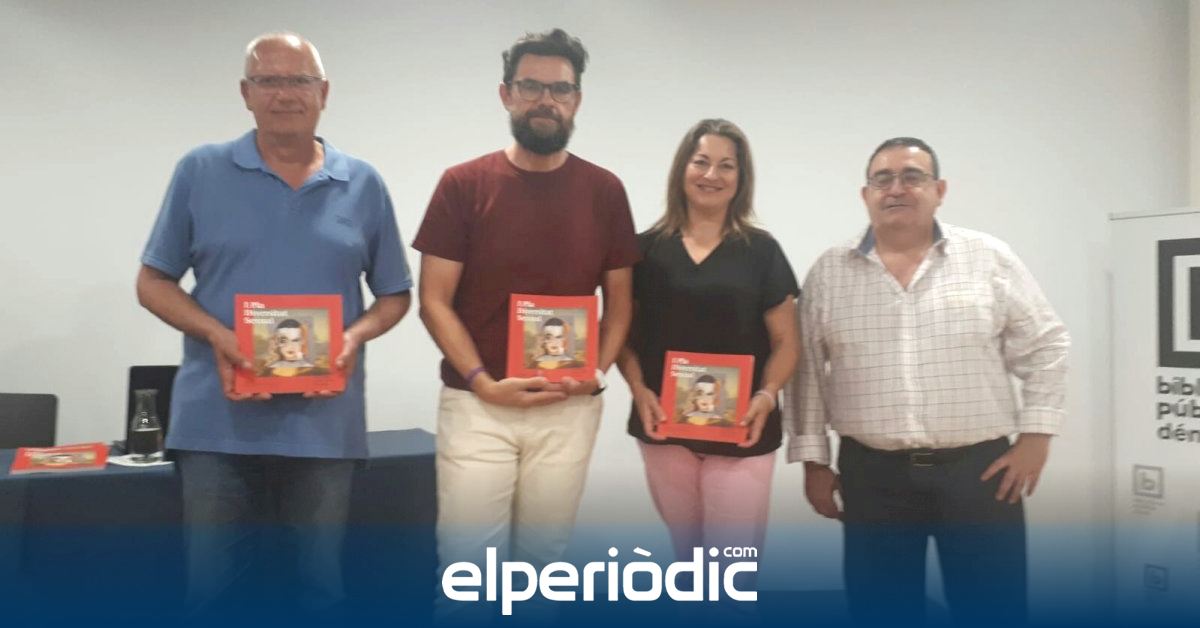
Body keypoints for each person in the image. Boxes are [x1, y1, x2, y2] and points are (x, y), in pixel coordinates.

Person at [136, 32, 412, 619]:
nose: (285, 94)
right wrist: (218, 335)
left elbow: (394, 295)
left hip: (325, 428)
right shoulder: (200, 170)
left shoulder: (363, 183)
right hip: (216, 427)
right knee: (213, 596)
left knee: (318, 594)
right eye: (269, 81)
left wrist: (354, 336)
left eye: (299, 80)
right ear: (246, 93)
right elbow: (152, 282)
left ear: (324, 92)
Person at [786, 137, 1070, 625]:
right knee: (880, 611)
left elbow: (1047, 344)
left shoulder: (988, 258)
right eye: (883, 179)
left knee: (992, 610)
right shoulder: (831, 271)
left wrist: (1037, 435)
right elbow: (806, 371)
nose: (896, 188)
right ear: (866, 194)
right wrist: (814, 461)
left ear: (939, 190)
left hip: (980, 471)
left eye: (912, 177)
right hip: (872, 475)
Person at [412, 28, 639, 619]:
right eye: (531, 86)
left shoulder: (605, 191)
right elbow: (433, 299)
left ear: (577, 100)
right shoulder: (463, 185)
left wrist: (595, 373)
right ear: (506, 94)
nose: (546, 100)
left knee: (544, 571)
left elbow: (621, 303)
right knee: (468, 575)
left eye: (560, 89)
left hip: (567, 411)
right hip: (477, 407)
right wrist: (482, 381)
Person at [615, 119, 799, 583]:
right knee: (689, 565)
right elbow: (620, 335)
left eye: (726, 165)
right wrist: (638, 389)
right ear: (682, 168)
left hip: (743, 430)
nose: (711, 174)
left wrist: (767, 395)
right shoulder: (643, 250)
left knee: (730, 573)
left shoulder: (762, 251)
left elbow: (787, 342)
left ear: (741, 178)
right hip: (664, 428)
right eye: (701, 162)